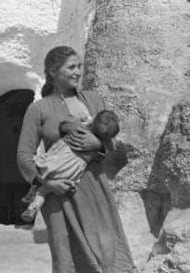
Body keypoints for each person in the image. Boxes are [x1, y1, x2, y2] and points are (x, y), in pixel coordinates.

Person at [17, 46, 136, 273]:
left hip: (95, 191)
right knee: (67, 258)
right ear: (53, 71)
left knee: (107, 253)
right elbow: (23, 154)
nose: (78, 72)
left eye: (79, 66)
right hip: (57, 194)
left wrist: (99, 145)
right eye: (71, 67)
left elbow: (112, 144)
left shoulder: (94, 100)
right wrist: (46, 184)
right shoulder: (38, 109)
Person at [20, 110, 120, 223]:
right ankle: (34, 206)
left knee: (37, 167)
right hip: (72, 170)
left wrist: (85, 121)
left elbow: (65, 124)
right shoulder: (96, 148)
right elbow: (110, 149)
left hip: (58, 159)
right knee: (45, 190)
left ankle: (32, 193)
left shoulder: (78, 128)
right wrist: (99, 144)